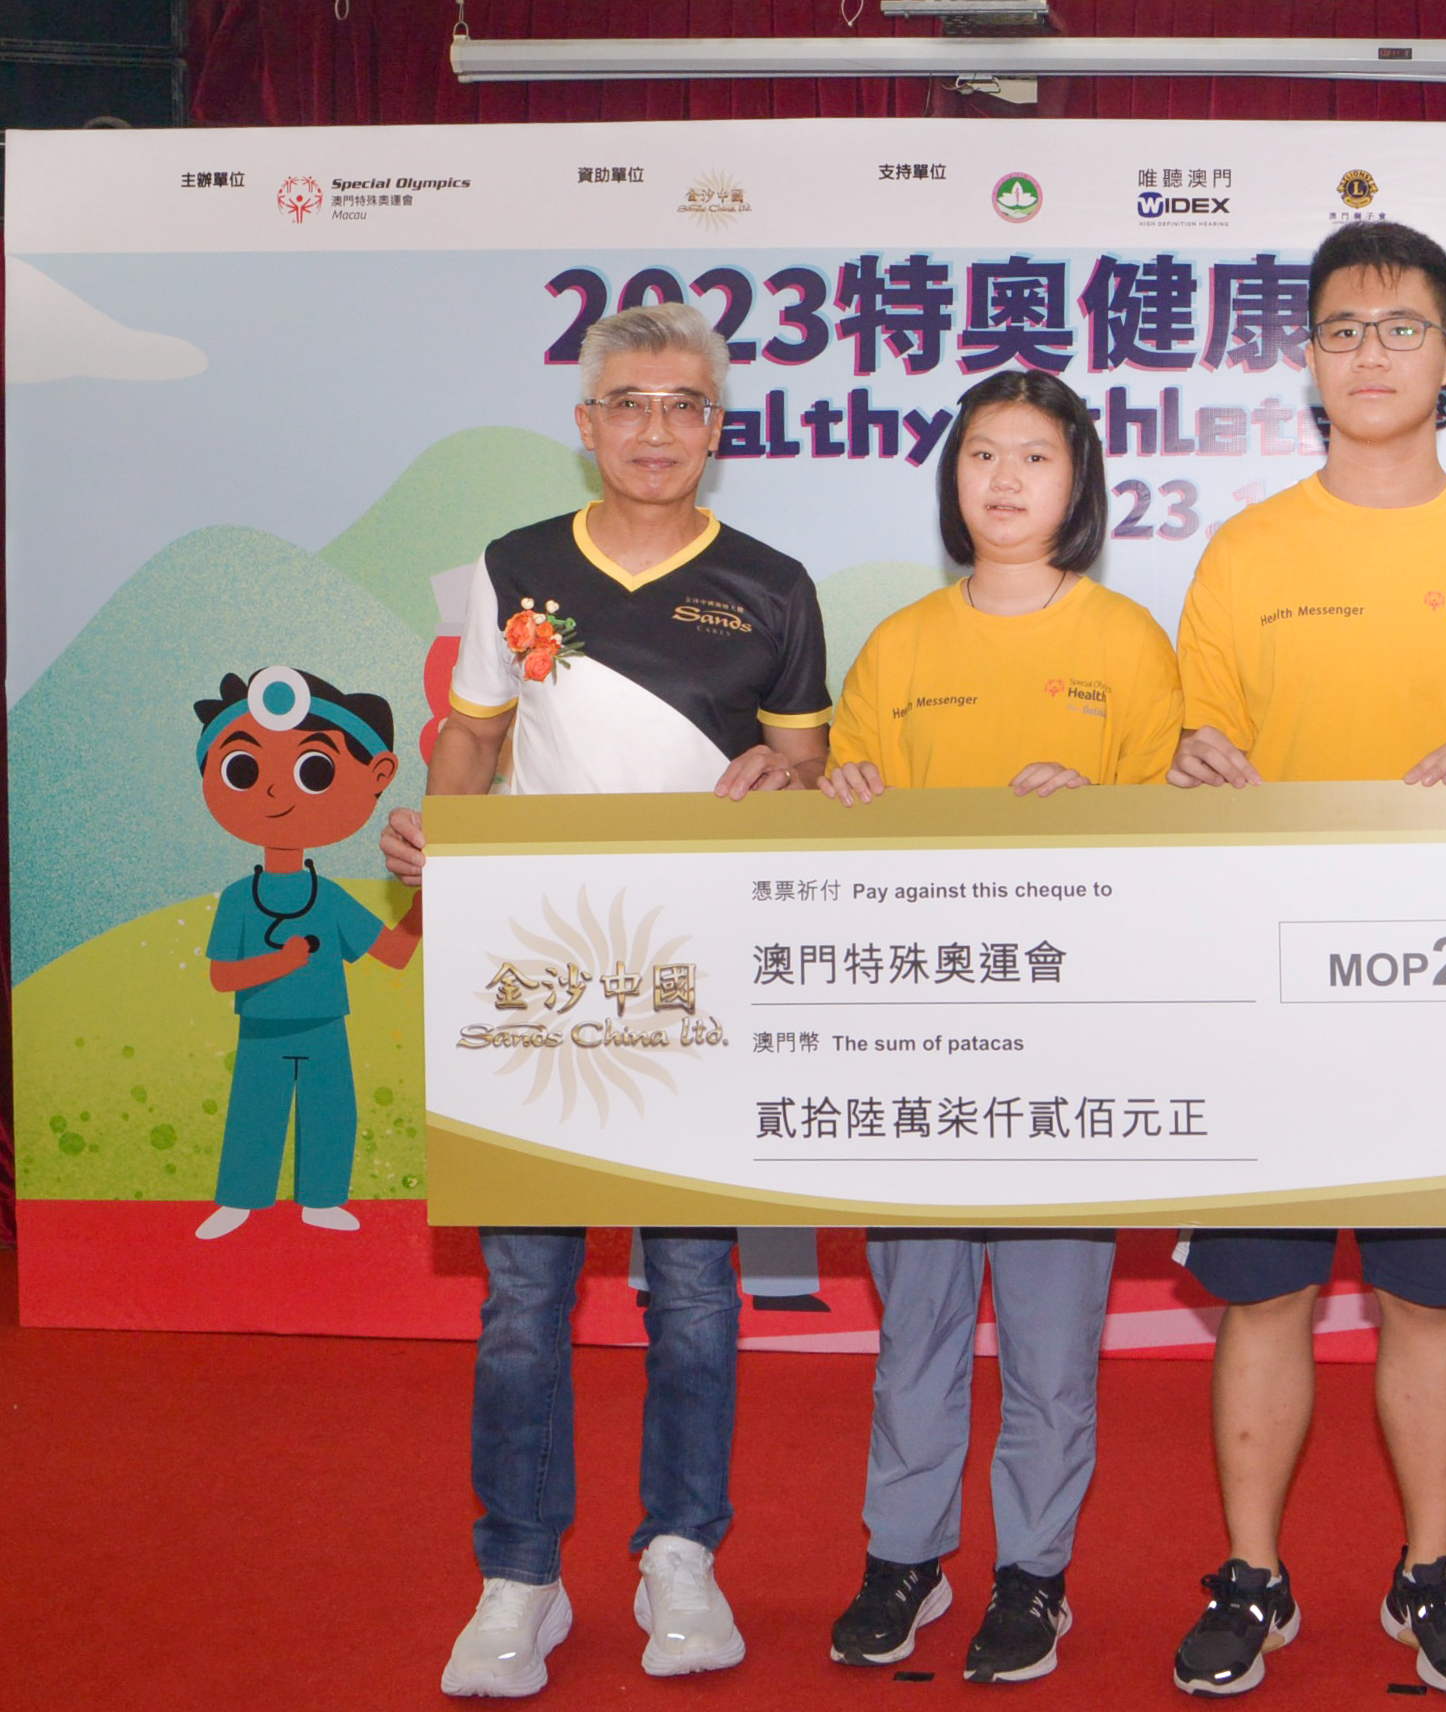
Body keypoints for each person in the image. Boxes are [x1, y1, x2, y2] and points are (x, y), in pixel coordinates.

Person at [1166, 221, 1446, 1697]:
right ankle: (1254, 1576)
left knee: (1426, 1297)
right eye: (1344, 329)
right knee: (1264, 1295)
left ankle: (1429, 1574)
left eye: (1402, 327)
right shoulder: (1246, 550)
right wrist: (1197, 764)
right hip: (1268, 985)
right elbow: (1197, 751)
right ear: (1307, 357)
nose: (1372, 353)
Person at [379, 301, 832, 1698]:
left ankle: (680, 1555)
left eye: (684, 404)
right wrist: (438, 838)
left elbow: (811, 772)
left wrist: (788, 776)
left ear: (716, 427)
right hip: (538, 976)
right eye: (628, 402)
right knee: (525, 1299)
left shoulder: (773, 584)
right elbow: (472, 740)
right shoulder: (515, 566)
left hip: (701, 978)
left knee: (693, 1291)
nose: (655, 428)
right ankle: (520, 1573)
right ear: (586, 426)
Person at [818, 368, 1181, 1684]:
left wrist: (1104, 808)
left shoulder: (1128, 642)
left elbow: (1178, 845)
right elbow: (838, 832)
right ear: (952, 477)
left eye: (1036, 455)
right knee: (914, 1327)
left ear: (1076, 484)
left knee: (1048, 1339)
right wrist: (842, 797)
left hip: (1073, 1049)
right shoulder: (899, 647)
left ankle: (1035, 1572)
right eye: (983, 453)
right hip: (916, 1043)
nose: (1007, 478)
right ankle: (903, 1557)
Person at [193, 667, 422, 1240]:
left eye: (313, 771)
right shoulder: (239, 897)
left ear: (377, 775)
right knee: (254, 1113)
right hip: (262, 1031)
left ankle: (323, 1199)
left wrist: (431, 895)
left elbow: (394, 953)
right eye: (243, 770)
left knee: (330, 1111)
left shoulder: (331, 897)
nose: (275, 793)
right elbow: (222, 977)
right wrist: (283, 962)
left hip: (325, 1028)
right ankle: (240, 1199)